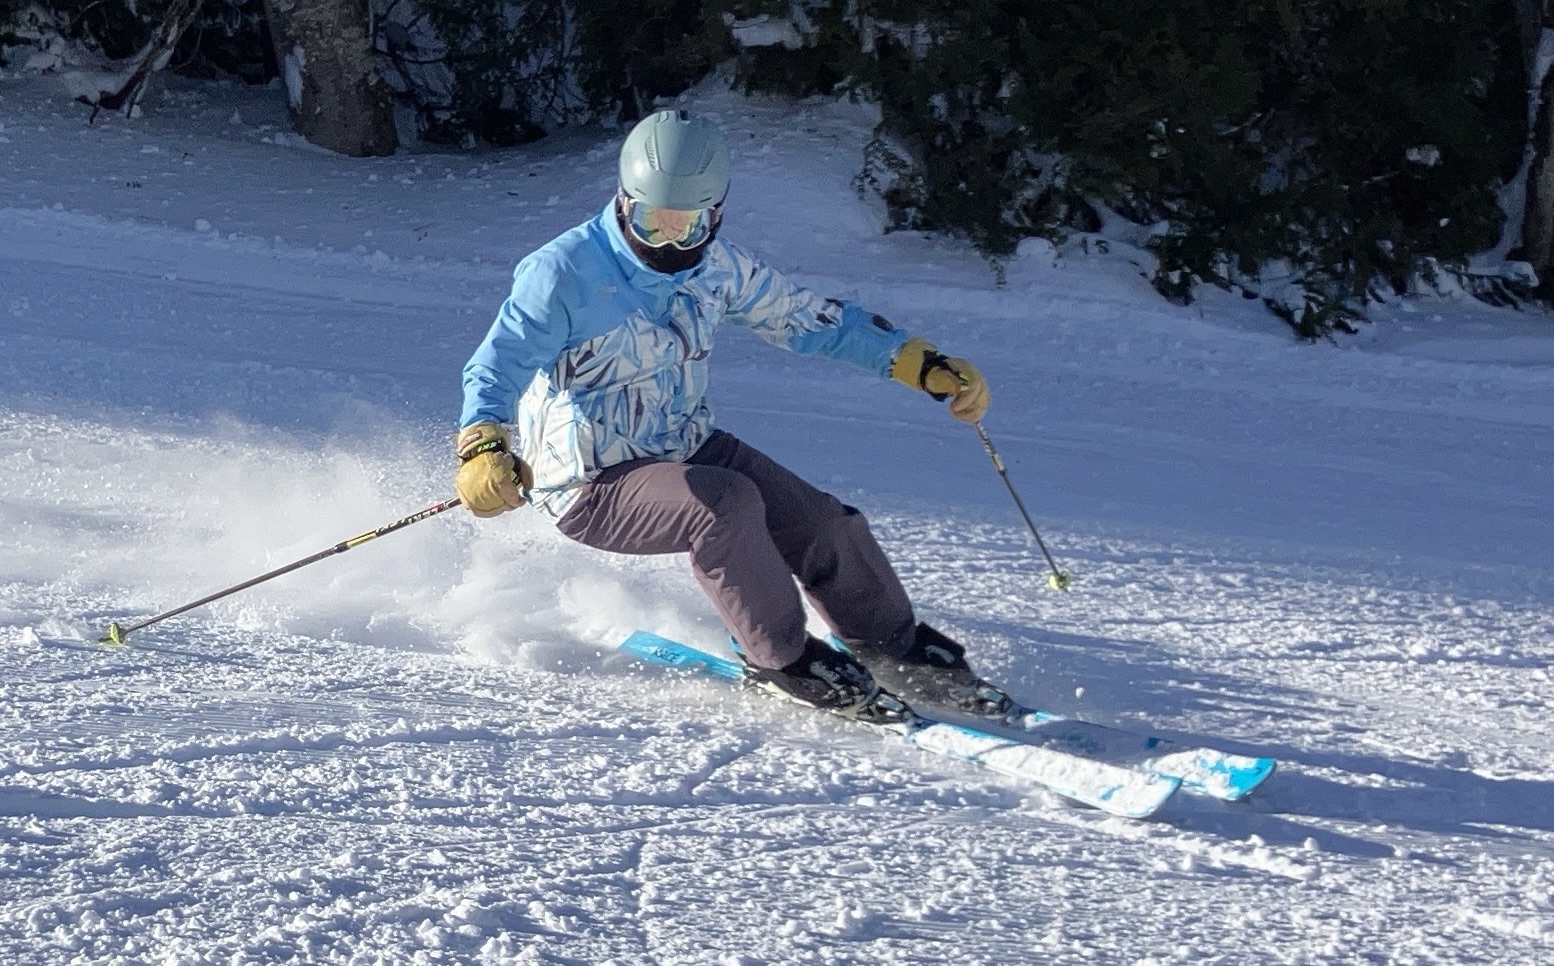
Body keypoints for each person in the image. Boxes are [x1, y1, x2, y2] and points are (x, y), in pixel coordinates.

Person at [455, 109, 1011, 723]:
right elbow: (497, 364)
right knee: (725, 504)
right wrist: (484, 446)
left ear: (715, 214)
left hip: (684, 445)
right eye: (651, 221)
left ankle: (894, 648)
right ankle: (781, 659)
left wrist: (915, 362)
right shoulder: (563, 272)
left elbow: (806, 319)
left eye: (687, 225)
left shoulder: (717, 268)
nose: (668, 242)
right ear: (624, 200)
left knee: (820, 521)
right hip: (592, 481)